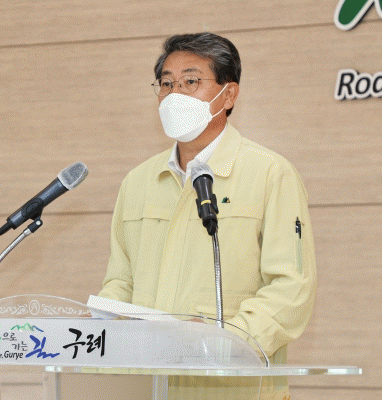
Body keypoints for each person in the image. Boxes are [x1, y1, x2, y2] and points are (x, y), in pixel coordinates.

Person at [98, 32, 316, 400]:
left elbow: (291, 288)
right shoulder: (138, 182)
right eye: (166, 84)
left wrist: (225, 342)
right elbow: (120, 282)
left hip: (232, 387)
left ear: (228, 95)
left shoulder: (270, 174)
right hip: (148, 387)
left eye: (191, 82)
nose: (175, 95)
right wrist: (99, 324)